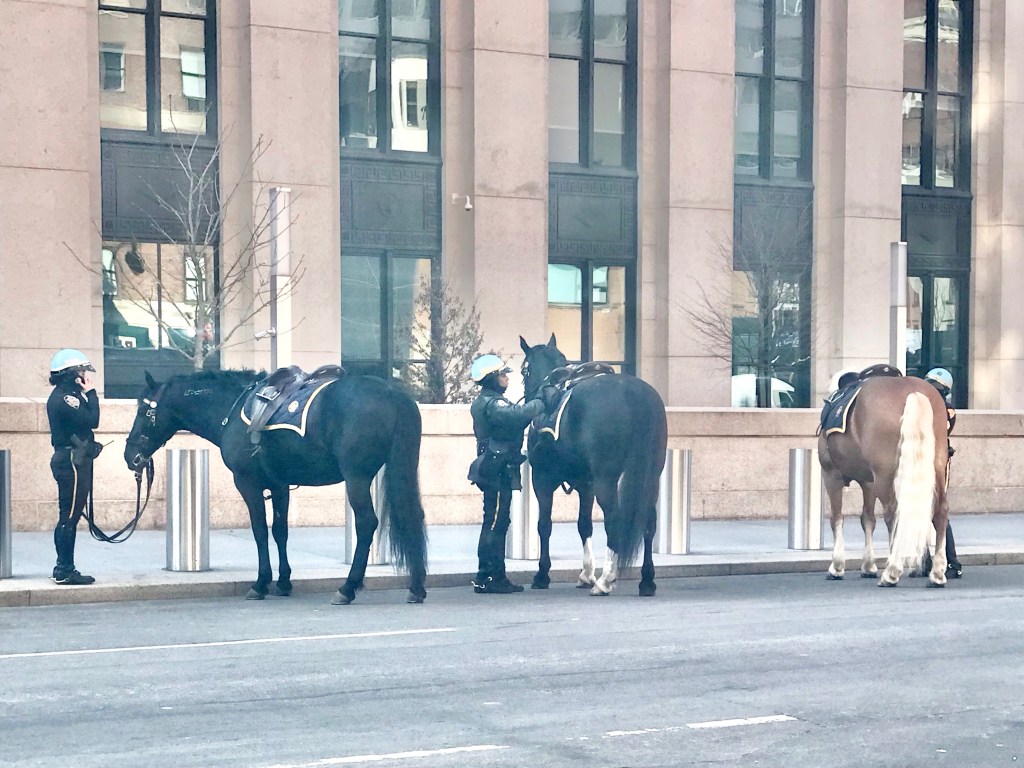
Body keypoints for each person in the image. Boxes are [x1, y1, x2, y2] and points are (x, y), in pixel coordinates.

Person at [467, 354, 547, 594]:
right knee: (495, 522)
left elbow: (514, 422)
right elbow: (518, 415)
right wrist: (541, 399)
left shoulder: (489, 402)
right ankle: (491, 577)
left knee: (495, 520)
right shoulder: (493, 404)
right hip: (498, 468)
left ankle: (488, 575)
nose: (506, 378)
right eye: (502, 374)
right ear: (492, 379)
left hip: (495, 465)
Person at [46, 349, 101, 585]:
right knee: (69, 517)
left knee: (69, 515)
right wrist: (92, 393)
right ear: (71, 374)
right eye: (80, 371)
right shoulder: (68, 398)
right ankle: (64, 569)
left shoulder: (65, 395)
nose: (84, 375)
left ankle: (64, 567)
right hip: (71, 462)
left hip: (73, 459)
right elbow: (92, 420)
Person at [923, 367, 963, 579]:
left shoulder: (946, 410)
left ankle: (952, 562)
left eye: (935, 388)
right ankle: (924, 560)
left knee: (939, 511)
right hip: (920, 459)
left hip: (937, 461)